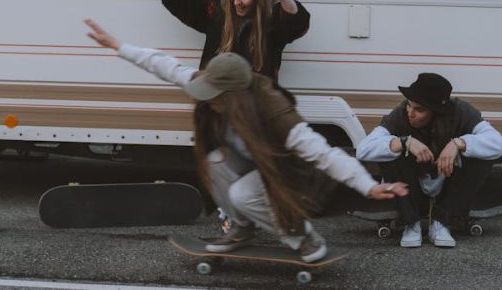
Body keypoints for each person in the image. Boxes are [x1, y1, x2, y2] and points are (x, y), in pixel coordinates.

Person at [84, 18, 407, 262]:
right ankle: (241, 228)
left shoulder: (273, 111)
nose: (207, 101)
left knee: (241, 193)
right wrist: (118, 46)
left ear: (236, 97)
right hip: (254, 165)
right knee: (215, 162)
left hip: (288, 174)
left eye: (215, 98)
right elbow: (165, 66)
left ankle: (303, 236)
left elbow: (323, 153)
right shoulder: (216, 84)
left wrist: (368, 186)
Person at [356, 73, 502, 249]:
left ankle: (441, 221)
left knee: (482, 156)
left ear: (437, 112)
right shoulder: (401, 113)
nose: (410, 113)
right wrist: (404, 142)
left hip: (448, 183)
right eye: (409, 105)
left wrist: (459, 143)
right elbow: (362, 150)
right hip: (412, 185)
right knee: (389, 150)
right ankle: (410, 223)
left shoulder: (460, 111)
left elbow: (500, 145)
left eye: (419, 110)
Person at [147, 0, 309, 80]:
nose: (236, 1)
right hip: (216, 100)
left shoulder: (272, 18)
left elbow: (297, 22)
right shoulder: (218, 2)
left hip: (255, 106)